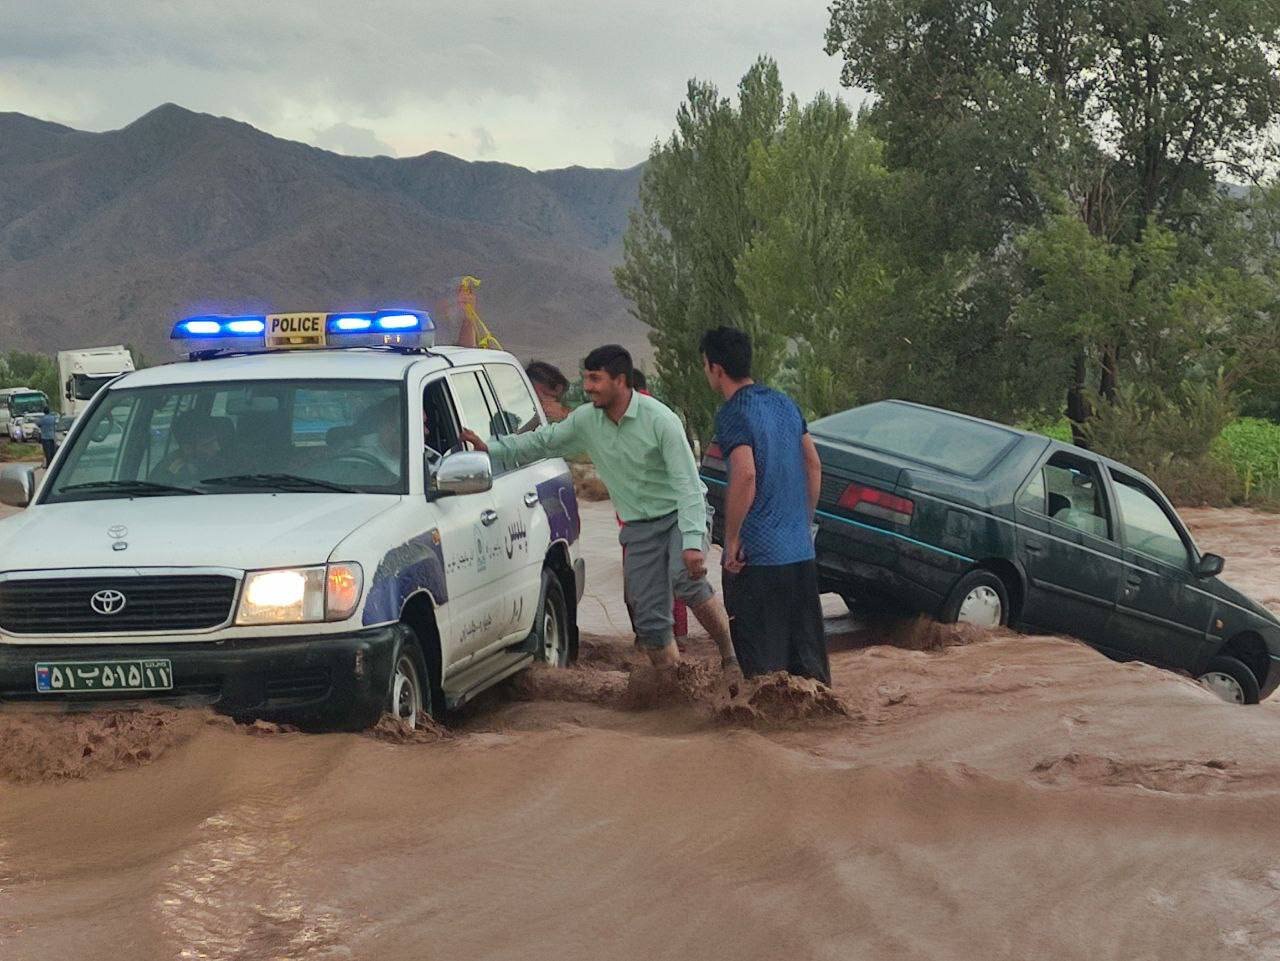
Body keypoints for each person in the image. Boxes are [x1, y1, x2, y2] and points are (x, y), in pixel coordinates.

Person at [462, 344, 737, 672]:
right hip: (638, 528)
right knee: (648, 621)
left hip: (680, 515)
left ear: (620, 381)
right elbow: (544, 442)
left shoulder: (660, 420)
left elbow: (689, 488)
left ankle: (730, 655)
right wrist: (490, 449)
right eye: (586, 378)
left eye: (595, 379)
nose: (588, 387)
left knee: (685, 579)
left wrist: (692, 541)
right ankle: (675, 685)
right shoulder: (587, 421)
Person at [701, 326, 830, 684]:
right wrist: (803, 523)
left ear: (716, 368)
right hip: (801, 556)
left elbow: (745, 475)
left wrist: (731, 539)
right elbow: (814, 465)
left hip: (756, 562)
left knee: (764, 678)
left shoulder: (732, 413)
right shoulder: (785, 403)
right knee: (809, 672)